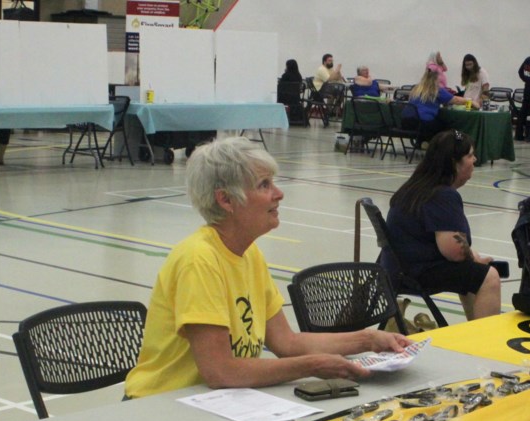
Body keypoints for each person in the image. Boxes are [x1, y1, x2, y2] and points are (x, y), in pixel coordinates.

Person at [124, 137, 412, 399]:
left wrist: (368, 340)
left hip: (213, 401)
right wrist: (311, 366)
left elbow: (285, 342)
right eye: (264, 185)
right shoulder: (199, 260)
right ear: (225, 200)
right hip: (161, 404)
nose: (279, 194)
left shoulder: (249, 254)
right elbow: (220, 371)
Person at [384, 130, 501, 321]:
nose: (474, 160)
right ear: (455, 163)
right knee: (489, 277)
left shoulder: (418, 186)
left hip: (395, 269)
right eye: (470, 155)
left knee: (473, 274)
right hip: (414, 274)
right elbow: (454, 251)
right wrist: (474, 259)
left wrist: (472, 258)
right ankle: (482, 342)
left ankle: (474, 330)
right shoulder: (442, 195)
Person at [401, 68, 468, 143]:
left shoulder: (416, 88)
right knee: (449, 125)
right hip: (423, 124)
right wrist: (470, 101)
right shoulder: (436, 89)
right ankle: (457, 142)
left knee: (436, 122)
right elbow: (456, 100)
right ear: (436, 79)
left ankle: (422, 142)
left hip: (406, 122)